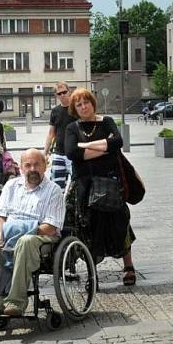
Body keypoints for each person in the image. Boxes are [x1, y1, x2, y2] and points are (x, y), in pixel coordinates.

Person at [0, 149, 65, 316]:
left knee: (25, 241)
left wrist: (19, 234)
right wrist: (1, 237)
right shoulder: (11, 185)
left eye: (37, 164)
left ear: (45, 166)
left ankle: (16, 302)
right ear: (21, 168)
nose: (32, 169)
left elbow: (51, 226)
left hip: (41, 238)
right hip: (8, 236)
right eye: (27, 165)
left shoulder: (54, 190)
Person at [64, 88, 137, 286]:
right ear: (74, 108)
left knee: (120, 223)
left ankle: (128, 266)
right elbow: (71, 152)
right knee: (88, 227)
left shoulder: (106, 121)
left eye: (86, 102)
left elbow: (118, 142)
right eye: (78, 104)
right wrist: (105, 148)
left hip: (110, 183)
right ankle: (92, 273)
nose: (83, 106)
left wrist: (86, 146)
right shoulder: (72, 128)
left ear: (92, 103)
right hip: (84, 186)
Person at [44, 81, 77, 189]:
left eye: (64, 92)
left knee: (76, 186)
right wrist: (45, 153)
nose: (62, 95)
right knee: (57, 187)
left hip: (74, 154)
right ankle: (59, 206)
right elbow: (51, 133)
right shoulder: (55, 111)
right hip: (58, 154)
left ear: (69, 92)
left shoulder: (76, 109)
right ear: (56, 95)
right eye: (59, 93)